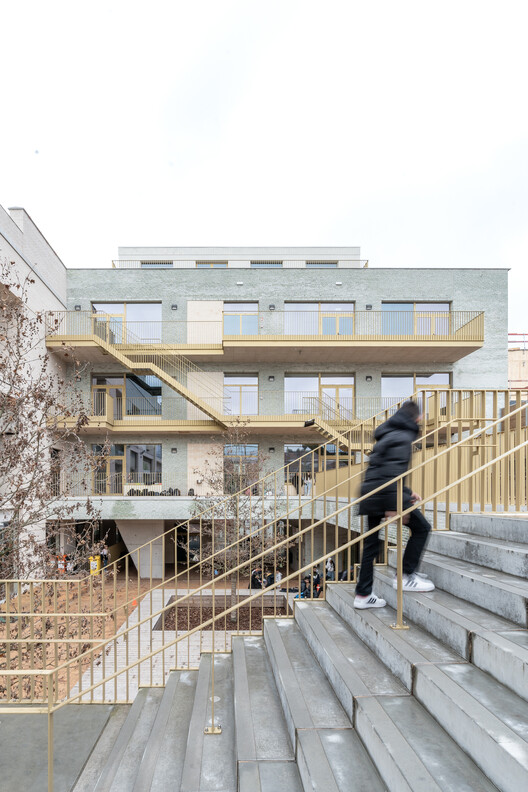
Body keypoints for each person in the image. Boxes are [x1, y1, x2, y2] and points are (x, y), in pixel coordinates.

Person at [354, 400, 435, 609]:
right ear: (416, 418)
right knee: (422, 528)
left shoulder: (388, 434)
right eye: (421, 418)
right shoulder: (403, 436)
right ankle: (406, 576)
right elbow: (393, 472)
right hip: (385, 495)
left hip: (372, 492)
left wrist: (407, 493)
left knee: (371, 545)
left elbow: (384, 470)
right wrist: (396, 505)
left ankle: (362, 595)